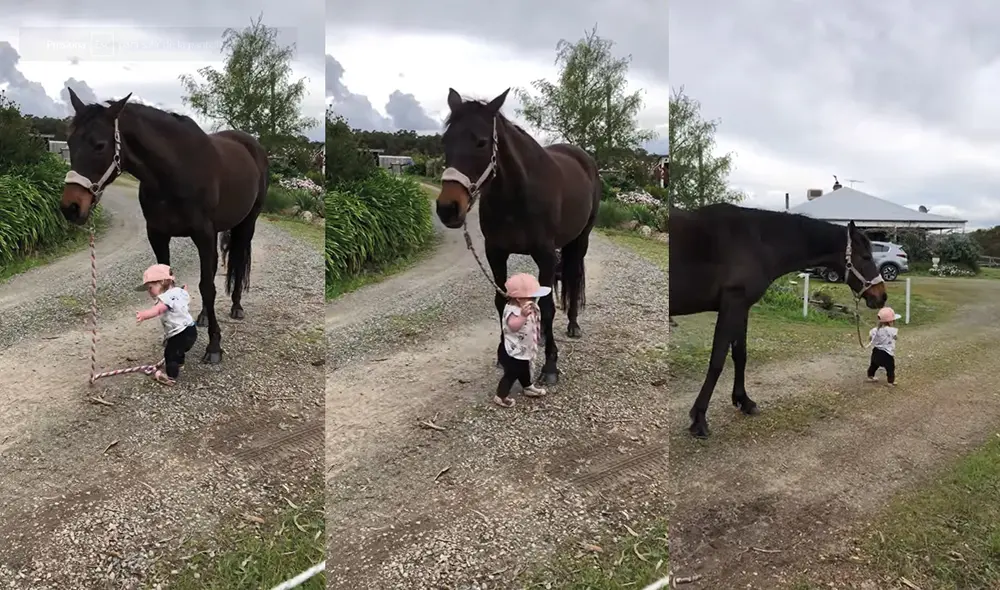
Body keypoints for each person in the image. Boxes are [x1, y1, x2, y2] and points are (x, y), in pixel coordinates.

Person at [494, 273, 551, 408]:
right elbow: (513, 326)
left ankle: (527, 386)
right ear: (519, 298)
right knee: (512, 373)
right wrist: (523, 317)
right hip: (513, 349)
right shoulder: (513, 310)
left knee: (524, 368)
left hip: (523, 347)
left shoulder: (523, 306)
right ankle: (501, 395)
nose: (535, 300)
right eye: (532, 297)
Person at [135, 264, 198, 385]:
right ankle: (180, 363)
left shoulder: (165, 298)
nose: (149, 292)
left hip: (179, 333)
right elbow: (184, 294)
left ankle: (170, 377)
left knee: (170, 354)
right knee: (178, 350)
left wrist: (144, 315)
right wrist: (184, 289)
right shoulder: (179, 292)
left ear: (163, 281)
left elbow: (158, 309)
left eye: (150, 287)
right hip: (191, 329)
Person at [865, 306, 901, 386]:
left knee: (874, 364)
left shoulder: (875, 330)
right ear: (891, 321)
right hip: (887, 353)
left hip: (876, 351)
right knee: (890, 368)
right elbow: (895, 337)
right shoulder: (891, 330)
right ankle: (890, 382)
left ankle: (870, 376)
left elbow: (870, 338)